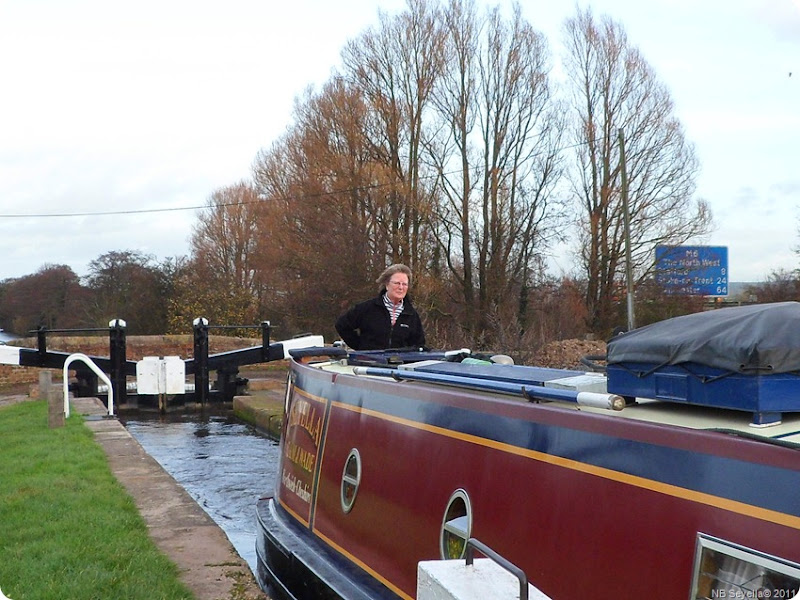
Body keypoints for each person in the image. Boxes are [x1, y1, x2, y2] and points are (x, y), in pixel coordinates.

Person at [335, 264, 426, 351]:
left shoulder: (411, 315)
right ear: (387, 284)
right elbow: (342, 325)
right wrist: (361, 347)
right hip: (369, 363)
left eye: (404, 284)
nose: (401, 287)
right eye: (397, 283)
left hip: (399, 365)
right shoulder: (367, 308)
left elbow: (418, 345)